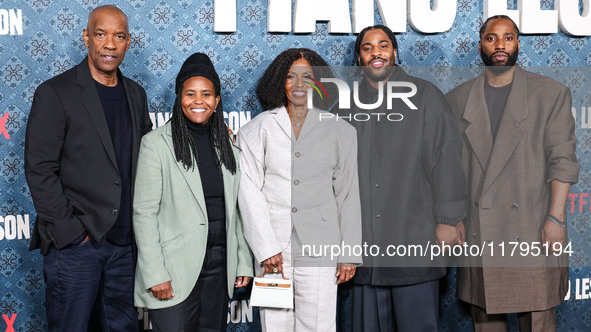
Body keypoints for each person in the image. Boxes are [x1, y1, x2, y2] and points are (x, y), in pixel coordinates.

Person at [446, 15, 579, 331]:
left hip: (532, 226)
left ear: (518, 43)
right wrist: (454, 219)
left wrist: (556, 219)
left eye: (508, 38)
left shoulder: (550, 93)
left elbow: (562, 160)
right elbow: (451, 169)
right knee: (487, 318)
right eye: (492, 38)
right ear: (481, 45)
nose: (500, 45)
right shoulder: (457, 99)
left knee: (537, 316)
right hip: (481, 229)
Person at [24, 5, 152, 331]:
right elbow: (40, 169)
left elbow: (152, 155)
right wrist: (71, 233)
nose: (110, 44)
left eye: (119, 36)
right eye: (101, 34)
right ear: (86, 37)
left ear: (128, 42)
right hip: (76, 246)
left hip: (125, 246)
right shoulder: (56, 93)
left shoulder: (136, 95)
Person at [333, 25, 467, 332]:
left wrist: (448, 218)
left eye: (383, 46)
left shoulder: (425, 96)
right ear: (359, 58)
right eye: (367, 48)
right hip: (365, 248)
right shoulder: (345, 105)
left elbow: (446, 157)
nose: (376, 53)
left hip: (413, 241)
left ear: (395, 52)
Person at [238, 48, 362, 332]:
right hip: (274, 249)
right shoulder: (258, 129)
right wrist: (265, 247)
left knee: (317, 325)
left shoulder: (341, 131)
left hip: (321, 247)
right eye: (290, 76)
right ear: (279, 82)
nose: (298, 84)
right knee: (275, 326)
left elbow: (347, 194)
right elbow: (248, 192)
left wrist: (349, 252)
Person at [132, 52, 253, 332]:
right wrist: (154, 273)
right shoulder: (156, 145)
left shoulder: (229, 146)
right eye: (190, 94)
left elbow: (236, 210)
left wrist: (243, 261)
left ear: (217, 101)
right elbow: (144, 214)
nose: (198, 101)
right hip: (174, 267)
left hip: (220, 266)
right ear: (179, 98)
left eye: (206, 94)